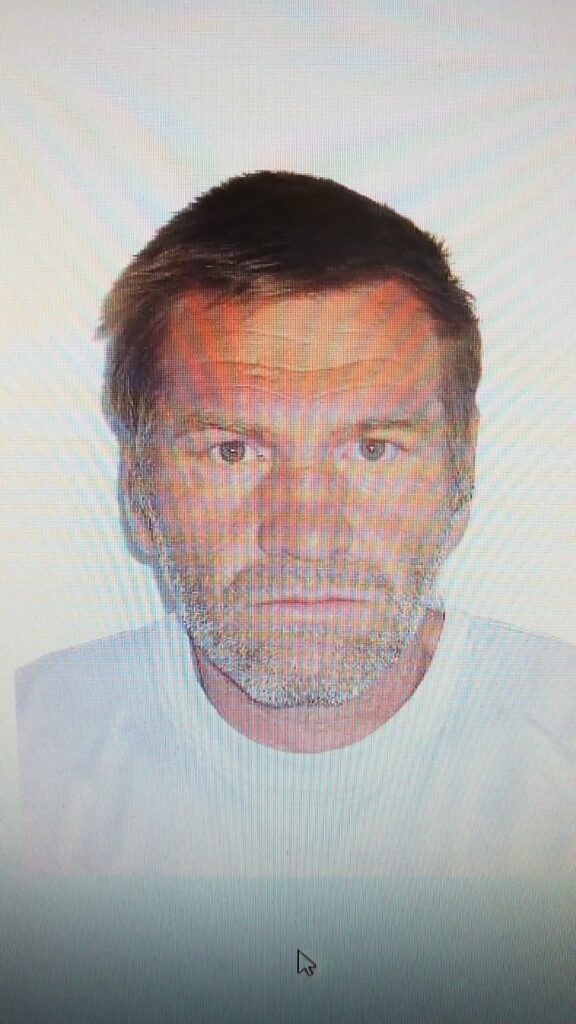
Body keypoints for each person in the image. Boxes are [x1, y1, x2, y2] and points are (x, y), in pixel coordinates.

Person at [15, 171, 575, 875]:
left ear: (461, 474)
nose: (308, 537)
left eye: (373, 449)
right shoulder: (30, 757)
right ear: (138, 489)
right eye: (232, 451)